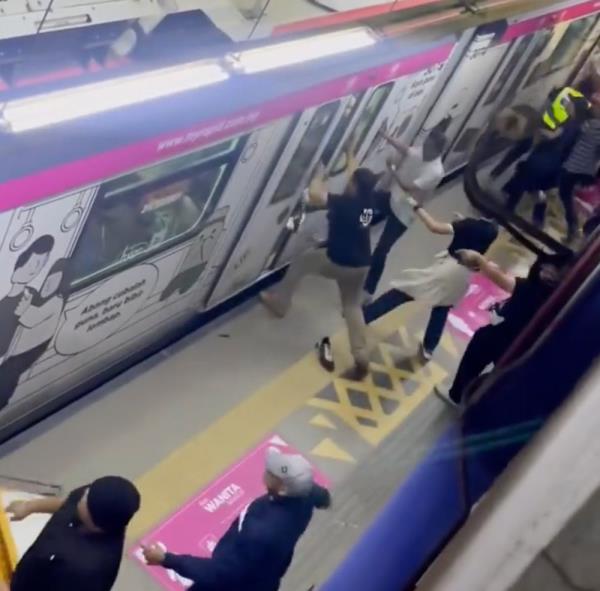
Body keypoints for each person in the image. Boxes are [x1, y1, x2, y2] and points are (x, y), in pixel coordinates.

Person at [259, 148, 379, 381]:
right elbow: (356, 174)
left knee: (301, 263)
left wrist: (319, 172)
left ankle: (280, 304)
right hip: (362, 264)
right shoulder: (367, 202)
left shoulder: (344, 204)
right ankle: (361, 355)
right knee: (352, 306)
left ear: (353, 186)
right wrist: (350, 152)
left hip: (337, 260)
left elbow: (315, 194)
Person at [142, 447, 331, 591]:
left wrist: (166, 559)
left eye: (272, 474)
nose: (266, 471)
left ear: (282, 488)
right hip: (268, 576)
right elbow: (323, 497)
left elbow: (218, 573)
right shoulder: (305, 493)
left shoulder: (259, 533)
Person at [359, 185, 497, 360]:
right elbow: (474, 234)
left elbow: (434, 227)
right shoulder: (492, 230)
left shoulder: (469, 225)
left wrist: (417, 207)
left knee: (402, 291)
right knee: (441, 308)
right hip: (464, 277)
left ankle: (364, 317)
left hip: (449, 269)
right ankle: (428, 349)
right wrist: (461, 222)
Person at [435, 251, 571, 408]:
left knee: (473, 359)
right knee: (499, 378)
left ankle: (456, 395)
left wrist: (480, 260)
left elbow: (500, 279)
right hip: (521, 347)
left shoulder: (529, 288)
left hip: (498, 335)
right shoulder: (560, 299)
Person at [7, 476, 141, 591]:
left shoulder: (86, 573)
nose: (83, 494)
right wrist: (30, 507)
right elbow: (68, 504)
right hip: (26, 574)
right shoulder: (90, 500)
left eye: (86, 499)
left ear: (94, 521)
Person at [363, 127, 446, 299]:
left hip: (405, 212)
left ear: (437, 151)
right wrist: (385, 135)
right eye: (425, 144)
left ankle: (368, 291)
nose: (424, 149)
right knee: (366, 201)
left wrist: (392, 168)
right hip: (392, 198)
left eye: (428, 147)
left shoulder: (435, 171)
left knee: (381, 250)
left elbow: (408, 188)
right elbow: (406, 150)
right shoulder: (422, 151)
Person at [502, 95, 590, 227]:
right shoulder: (576, 125)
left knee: (523, 184)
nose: (566, 105)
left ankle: (506, 215)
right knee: (531, 188)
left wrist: (542, 134)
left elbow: (558, 140)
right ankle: (536, 220)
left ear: (575, 108)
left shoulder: (572, 125)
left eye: (570, 104)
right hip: (550, 166)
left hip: (545, 163)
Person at [0, 258, 70, 409]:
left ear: (62, 283)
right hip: (18, 351)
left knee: (8, 376)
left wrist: (24, 306)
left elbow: (30, 319)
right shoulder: (41, 299)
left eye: (55, 281)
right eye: (49, 279)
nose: (48, 284)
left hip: (29, 350)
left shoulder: (56, 301)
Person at [0, 235, 55, 362]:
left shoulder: (33, 295)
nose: (36, 269)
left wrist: (24, 314)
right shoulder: (2, 305)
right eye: (34, 263)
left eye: (41, 265)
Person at [557, 101, 600, 241]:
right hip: (585, 170)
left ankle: (573, 228)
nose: (593, 107)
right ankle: (573, 228)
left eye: (596, 106)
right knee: (567, 195)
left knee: (565, 194)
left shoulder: (589, 124)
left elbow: (571, 135)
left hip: (572, 166)